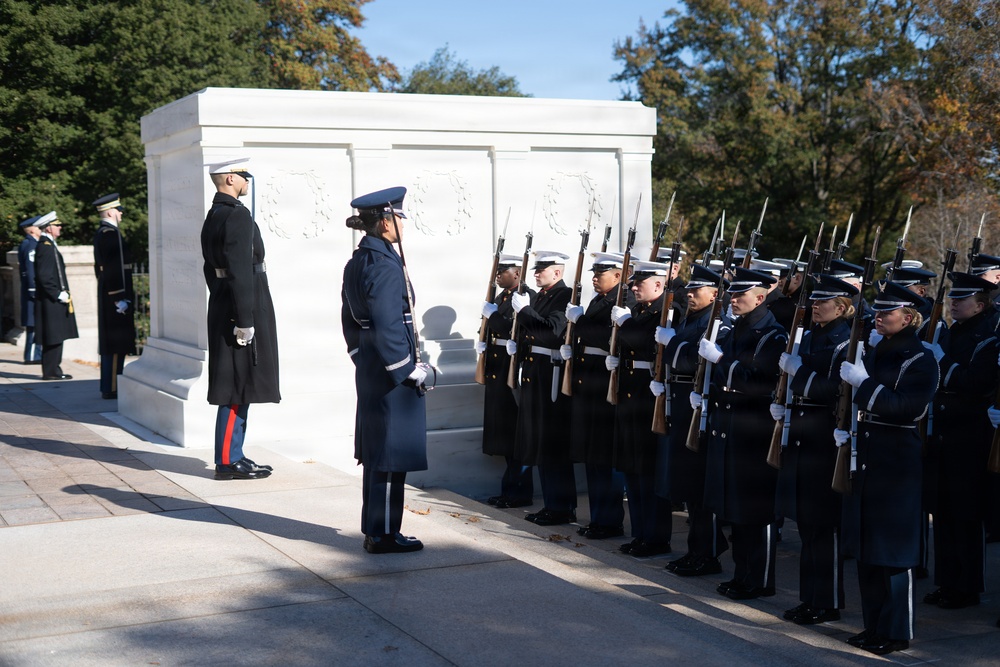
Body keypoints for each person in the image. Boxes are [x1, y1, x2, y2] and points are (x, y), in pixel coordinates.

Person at [837, 280, 939, 655]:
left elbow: (905, 408)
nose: (878, 317)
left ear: (909, 317)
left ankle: (896, 631)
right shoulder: (877, 351)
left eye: (887, 312)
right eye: (877, 311)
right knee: (868, 549)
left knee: (894, 555)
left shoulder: (920, 359)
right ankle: (873, 624)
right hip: (867, 454)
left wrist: (864, 385)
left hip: (896, 462)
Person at [342, 186, 428, 554]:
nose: (403, 225)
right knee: (391, 456)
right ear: (386, 221)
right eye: (399, 218)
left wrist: (360, 355)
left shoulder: (360, 259)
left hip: (373, 366)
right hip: (391, 372)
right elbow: (387, 321)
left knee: (378, 454)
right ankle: (385, 534)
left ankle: (376, 529)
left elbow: (350, 319)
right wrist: (405, 368)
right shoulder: (384, 264)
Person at [697, 267, 787, 600]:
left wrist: (721, 360)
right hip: (730, 425)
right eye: (732, 295)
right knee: (734, 508)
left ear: (761, 297)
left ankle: (760, 579)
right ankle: (741, 573)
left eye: (741, 296)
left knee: (756, 510)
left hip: (754, 430)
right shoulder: (737, 329)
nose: (733, 300)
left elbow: (757, 383)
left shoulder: (772, 336)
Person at [772, 274, 857, 625]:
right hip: (803, 435)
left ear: (841, 307)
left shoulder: (846, 343)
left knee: (825, 528)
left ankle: (827, 601)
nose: (815, 307)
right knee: (808, 527)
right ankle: (811, 598)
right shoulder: (809, 336)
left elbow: (834, 387)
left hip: (825, 438)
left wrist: (799, 372)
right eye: (814, 301)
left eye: (823, 302)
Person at [922, 272, 998, 610]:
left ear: (980, 304)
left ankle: (967, 587)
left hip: (970, 434)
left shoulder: (989, 337)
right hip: (944, 431)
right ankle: (947, 582)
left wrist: (940, 359)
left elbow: (974, 382)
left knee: (966, 514)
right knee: (944, 512)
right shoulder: (951, 332)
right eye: (953, 298)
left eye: (962, 300)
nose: (954, 304)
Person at [201, 159, 279, 481]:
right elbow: (240, 270)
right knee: (236, 386)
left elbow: (211, 268)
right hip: (241, 306)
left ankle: (235, 454)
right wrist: (245, 318)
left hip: (224, 300)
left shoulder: (215, 214)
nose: (248, 181)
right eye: (245, 176)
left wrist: (223, 299)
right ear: (232, 178)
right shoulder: (237, 214)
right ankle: (227, 460)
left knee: (240, 383)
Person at [654, 263, 731, 576]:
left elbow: (690, 359)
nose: (689, 293)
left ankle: (709, 552)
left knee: (700, 488)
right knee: (688, 488)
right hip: (683, 407)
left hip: (701, 412)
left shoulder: (716, 326)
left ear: (714, 294)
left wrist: (670, 342)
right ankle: (696, 549)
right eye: (689, 288)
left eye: (696, 290)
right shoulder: (691, 320)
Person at [562, 252, 632, 539]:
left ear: (617, 276)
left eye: (600, 273)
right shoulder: (599, 300)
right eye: (594, 272)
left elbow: (608, 338)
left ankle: (610, 519)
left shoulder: (624, 301)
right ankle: (598, 517)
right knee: (592, 454)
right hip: (589, 380)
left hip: (606, 383)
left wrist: (579, 323)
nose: (594, 277)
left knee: (606, 456)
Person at [608, 260, 673, 557]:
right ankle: (640, 534)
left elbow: (644, 342)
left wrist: (625, 324)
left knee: (648, 473)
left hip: (649, 399)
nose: (633, 287)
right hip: (630, 396)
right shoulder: (640, 311)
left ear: (658, 285)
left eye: (640, 283)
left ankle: (656, 537)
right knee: (632, 470)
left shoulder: (666, 312)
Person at [509, 251, 575, 526]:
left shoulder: (564, 296)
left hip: (551, 375)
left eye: (542, 270)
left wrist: (524, 311)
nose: (536, 273)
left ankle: (561, 506)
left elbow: (551, 333)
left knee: (553, 443)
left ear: (557, 273)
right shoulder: (540, 295)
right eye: (536, 269)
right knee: (540, 442)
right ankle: (551, 504)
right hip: (535, 373)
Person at [480, 254, 535, 508]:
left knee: (516, 434)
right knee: (504, 434)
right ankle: (509, 489)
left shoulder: (524, 297)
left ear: (517, 273)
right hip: (497, 369)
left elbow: (516, 328)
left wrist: (493, 318)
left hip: (512, 369)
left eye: (503, 271)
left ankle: (519, 492)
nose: (497, 275)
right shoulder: (501, 298)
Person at [92, 193, 137, 399]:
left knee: (114, 343)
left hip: (109, 293)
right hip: (116, 297)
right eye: (118, 210)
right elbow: (113, 268)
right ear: (110, 211)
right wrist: (119, 296)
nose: (120, 213)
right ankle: (112, 387)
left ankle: (111, 385)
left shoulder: (102, 232)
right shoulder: (111, 233)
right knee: (115, 342)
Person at [32, 211, 78, 380]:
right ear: (49, 228)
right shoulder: (45, 247)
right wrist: (57, 294)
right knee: (53, 336)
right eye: (57, 225)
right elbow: (44, 276)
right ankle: (52, 372)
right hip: (51, 300)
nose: (60, 228)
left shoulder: (48, 245)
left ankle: (53, 370)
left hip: (52, 299)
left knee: (56, 335)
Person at [16, 215, 43, 364]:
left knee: (35, 323)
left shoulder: (28, 243)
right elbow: (30, 269)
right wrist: (33, 289)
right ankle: (32, 355)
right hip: (32, 291)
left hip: (31, 290)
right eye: (39, 227)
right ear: (32, 230)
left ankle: (35, 354)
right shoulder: (31, 245)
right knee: (33, 324)